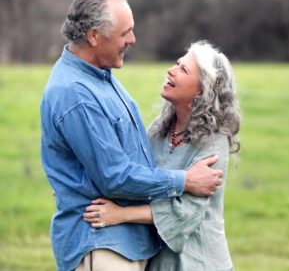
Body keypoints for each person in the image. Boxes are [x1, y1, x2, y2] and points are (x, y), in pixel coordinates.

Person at [40, 0, 223, 271]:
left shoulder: (101, 78)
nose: (132, 40)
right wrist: (183, 181)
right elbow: (114, 176)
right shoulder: (76, 94)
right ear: (94, 36)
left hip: (124, 246)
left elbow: (124, 158)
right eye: (125, 32)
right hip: (102, 245)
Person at [83, 40, 241, 271]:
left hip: (200, 264)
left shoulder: (213, 144)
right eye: (178, 63)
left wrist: (120, 214)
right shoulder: (161, 129)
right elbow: (132, 173)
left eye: (183, 69)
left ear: (201, 90)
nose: (171, 70)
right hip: (159, 262)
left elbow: (184, 213)